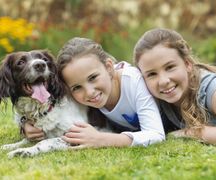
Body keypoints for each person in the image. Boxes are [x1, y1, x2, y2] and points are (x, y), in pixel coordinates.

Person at [133, 28, 216, 148]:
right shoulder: (149, 96)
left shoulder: (212, 88)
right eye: (151, 74)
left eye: (170, 67)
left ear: (187, 64)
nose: (163, 81)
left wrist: (189, 132)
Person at [23, 37, 165, 148]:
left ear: (109, 67)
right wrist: (25, 126)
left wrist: (101, 139)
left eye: (93, 78)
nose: (90, 92)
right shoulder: (79, 94)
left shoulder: (132, 81)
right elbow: (48, 107)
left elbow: (156, 134)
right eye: (77, 87)